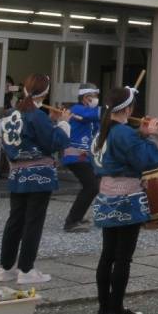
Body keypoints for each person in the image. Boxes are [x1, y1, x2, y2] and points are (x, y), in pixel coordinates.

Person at [91, 87, 158, 314]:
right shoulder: (123, 133)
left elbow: (122, 150)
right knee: (123, 257)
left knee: (107, 255)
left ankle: (104, 306)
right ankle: (116, 309)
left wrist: (140, 134)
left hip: (106, 195)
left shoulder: (104, 130)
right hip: (126, 198)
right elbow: (151, 160)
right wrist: (151, 135)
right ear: (129, 109)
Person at [0, 74, 71, 285]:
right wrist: (63, 124)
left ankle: (6, 267)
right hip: (38, 173)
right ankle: (26, 269)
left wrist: (52, 123)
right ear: (45, 93)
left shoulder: (13, 114)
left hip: (17, 172)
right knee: (33, 222)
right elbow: (53, 142)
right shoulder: (36, 115)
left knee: (15, 220)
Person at [62, 84, 101, 232]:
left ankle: (77, 217)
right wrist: (114, 108)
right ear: (85, 98)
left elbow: (100, 125)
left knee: (91, 186)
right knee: (91, 186)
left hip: (86, 158)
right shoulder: (77, 110)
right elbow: (97, 114)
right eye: (94, 95)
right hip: (74, 156)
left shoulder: (89, 113)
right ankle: (71, 221)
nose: (96, 99)